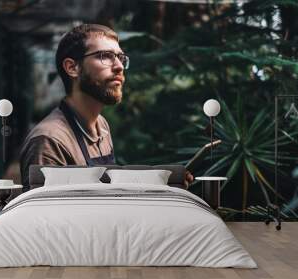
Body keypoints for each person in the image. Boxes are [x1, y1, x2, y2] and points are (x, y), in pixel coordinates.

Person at [19, 24, 193, 190]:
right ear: (72, 68)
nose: (118, 67)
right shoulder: (49, 141)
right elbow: (44, 216)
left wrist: (164, 182)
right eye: (105, 56)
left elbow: (107, 188)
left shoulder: (101, 125)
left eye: (120, 57)